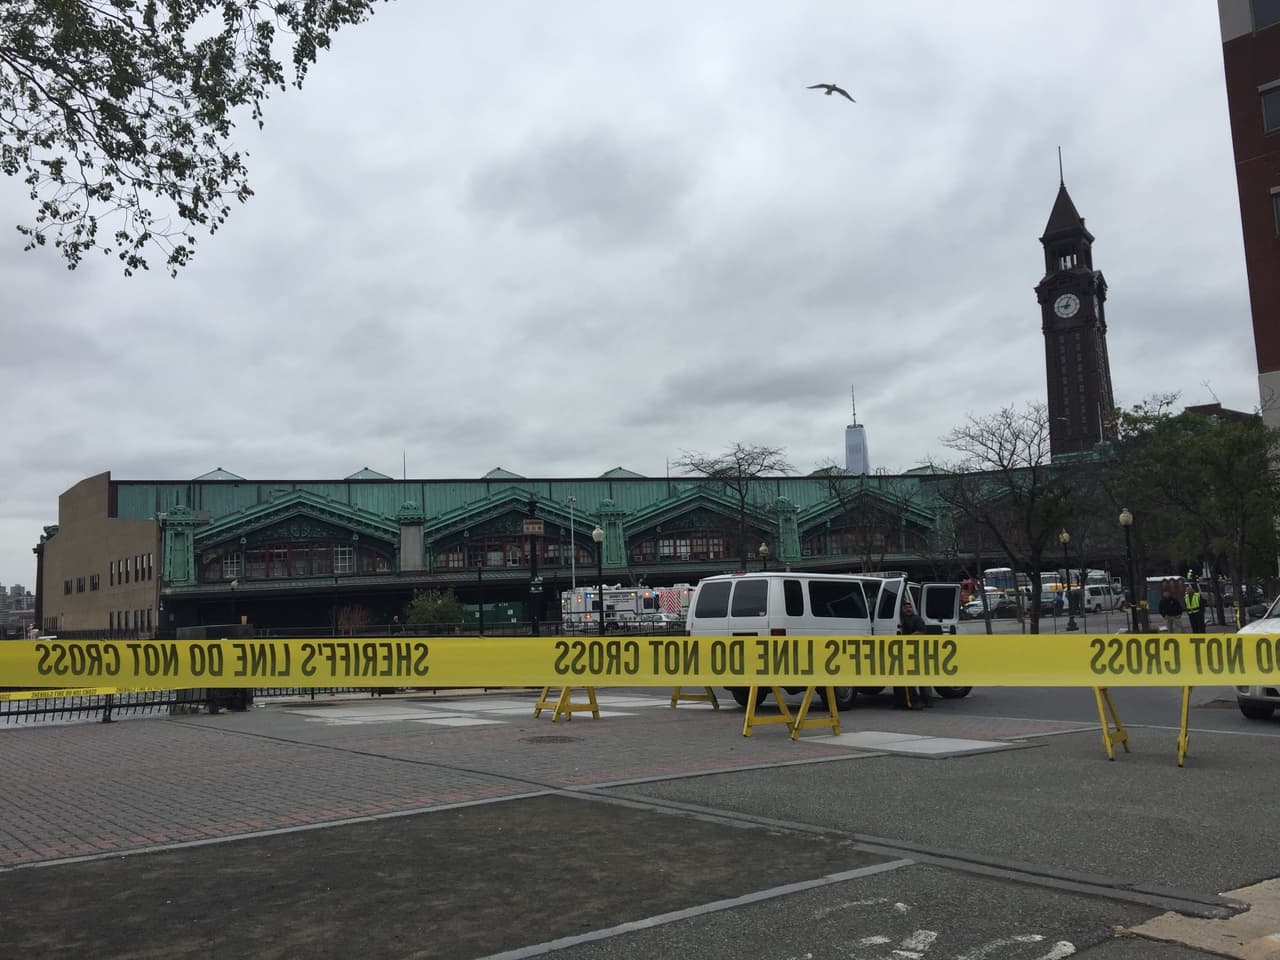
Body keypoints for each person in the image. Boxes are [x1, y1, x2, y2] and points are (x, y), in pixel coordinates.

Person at [894, 599, 932, 709]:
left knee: (922, 677)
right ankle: (913, 699)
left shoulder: (917, 619)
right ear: (902, 609)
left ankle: (928, 700)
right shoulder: (900, 620)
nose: (908, 609)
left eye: (909, 607)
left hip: (918, 651)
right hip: (905, 652)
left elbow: (921, 632)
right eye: (905, 607)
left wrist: (909, 637)